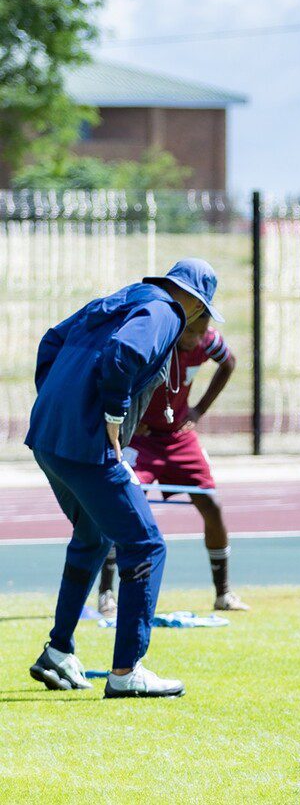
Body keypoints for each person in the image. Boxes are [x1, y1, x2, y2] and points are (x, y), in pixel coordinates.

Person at [25, 258, 220, 699]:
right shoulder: (167, 311)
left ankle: (58, 651)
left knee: (93, 537)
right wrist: (109, 413)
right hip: (87, 443)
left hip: (48, 436)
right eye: (201, 307)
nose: (198, 318)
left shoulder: (124, 296)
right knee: (146, 545)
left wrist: (60, 402)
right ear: (191, 298)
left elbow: (50, 343)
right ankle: (126, 670)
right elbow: (124, 355)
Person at [96, 312, 246, 616]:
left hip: (179, 438)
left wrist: (199, 410)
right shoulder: (153, 344)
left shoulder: (208, 341)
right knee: (120, 504)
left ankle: (223, 593)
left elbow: (229, 362)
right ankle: (106, 594)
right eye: (192, 332)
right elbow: (111, 373)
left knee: (212, 505)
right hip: (142, 440)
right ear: (178, 328)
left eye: (202, 332)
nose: (198, 338)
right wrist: (127, 418)